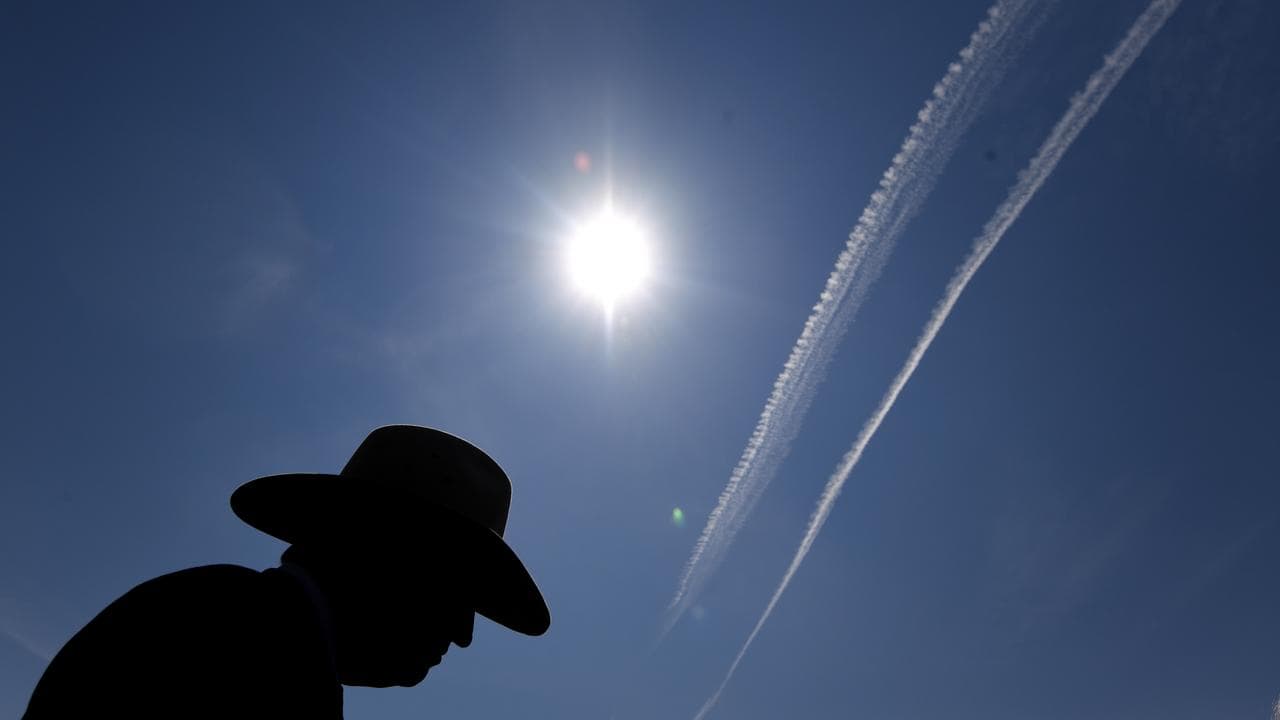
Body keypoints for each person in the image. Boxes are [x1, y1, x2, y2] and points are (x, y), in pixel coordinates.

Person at [22, 425, 550, 718]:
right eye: (456, 591)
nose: (463, 635)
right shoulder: (234, 650)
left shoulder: (228, 624)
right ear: (381, 552)